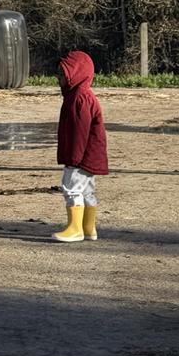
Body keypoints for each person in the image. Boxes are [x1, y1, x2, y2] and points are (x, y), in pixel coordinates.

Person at [53, 50, 109, 242]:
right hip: (90, 155)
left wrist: (73, 159)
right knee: (87, 190)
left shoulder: (80, 98)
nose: (58, 78)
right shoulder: (79, 96)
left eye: (62, 74)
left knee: (71, 188)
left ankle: (75, 229)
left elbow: (80, 131)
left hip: (80, 156)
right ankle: (88, 228)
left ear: (75, 74)